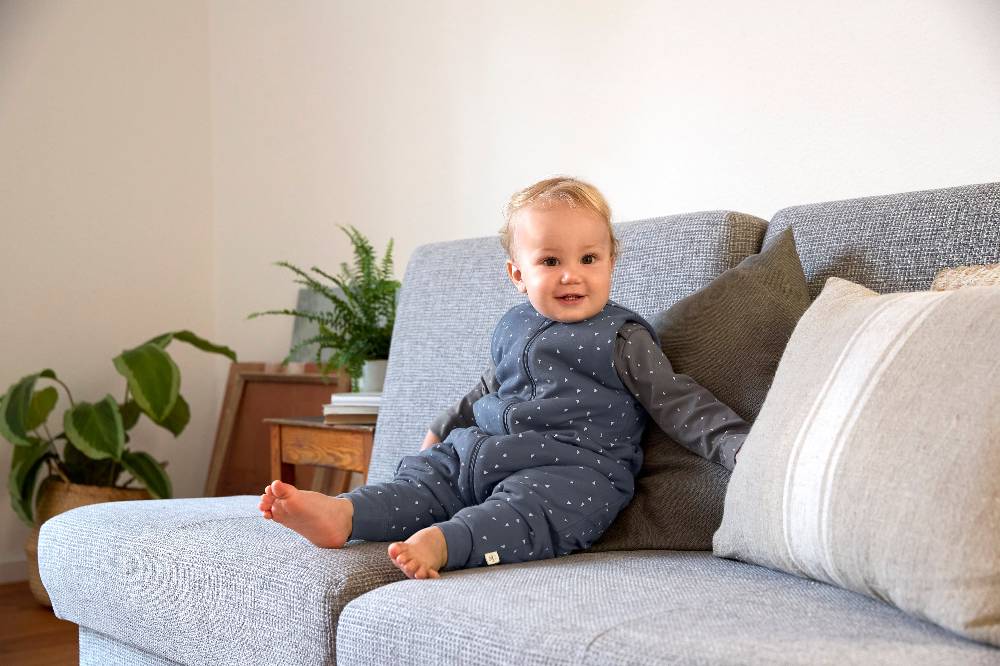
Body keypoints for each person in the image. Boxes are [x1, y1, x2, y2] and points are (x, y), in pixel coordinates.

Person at [259, 176, 750, 580]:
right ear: (518, 274)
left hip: (573, 470)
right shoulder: (515, 324)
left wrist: (739, 446)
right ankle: (344, 514)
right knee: (426, 478)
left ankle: (447, 542)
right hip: (483, 452)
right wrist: (444, 426)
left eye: (588, 259)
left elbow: (675, 400)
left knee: (527, 514)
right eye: (550, 261)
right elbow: (489, 387)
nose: (571, 275)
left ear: (610, 262)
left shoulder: (621, 337)